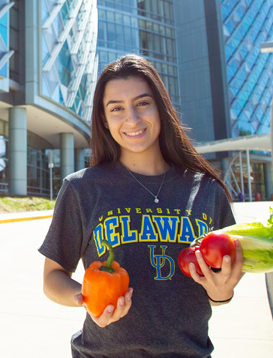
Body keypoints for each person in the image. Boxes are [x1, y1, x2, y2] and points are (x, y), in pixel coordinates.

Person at [39, 54, 244, 357]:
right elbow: (52, 277)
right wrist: (85, 298)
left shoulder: (207, 191)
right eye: (117, 109)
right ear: (105, 121)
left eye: (143, 103)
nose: (132, 119)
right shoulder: (82, 188)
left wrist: (222, 293)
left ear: (161, 109)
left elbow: (217, 286)